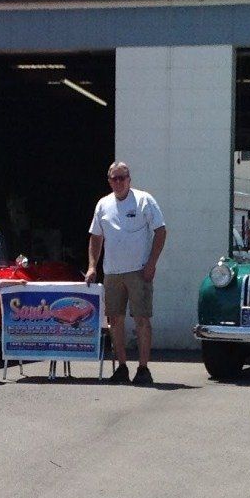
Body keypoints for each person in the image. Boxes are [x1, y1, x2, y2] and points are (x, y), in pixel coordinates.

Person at [85, 161, 167, 384]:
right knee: (115, 320)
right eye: (114, 178)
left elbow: (160, 231)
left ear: (129, 179)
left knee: (142, 319)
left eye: (123, 178)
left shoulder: (144, 200)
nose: (119, 182)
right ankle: (121, 366)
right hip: (112, 272)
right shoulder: (103, 204)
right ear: (109, 180)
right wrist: (93, 266)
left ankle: (143, 368)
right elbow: (96, 237)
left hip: (139, 271)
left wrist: (152, 263)